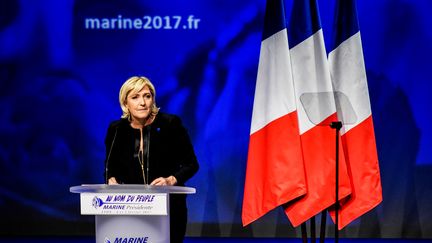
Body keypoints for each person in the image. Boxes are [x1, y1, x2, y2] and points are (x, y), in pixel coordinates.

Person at [104, 76, 199, 243]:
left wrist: (171, 180)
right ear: (125, 102)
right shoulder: (116, 129)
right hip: (130, 209)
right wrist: (111, 179)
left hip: (169, 208)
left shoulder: (170, 124)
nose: (143, 102)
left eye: (147, 96)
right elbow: (110, 167)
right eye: (135, 97)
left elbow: (192, 164)